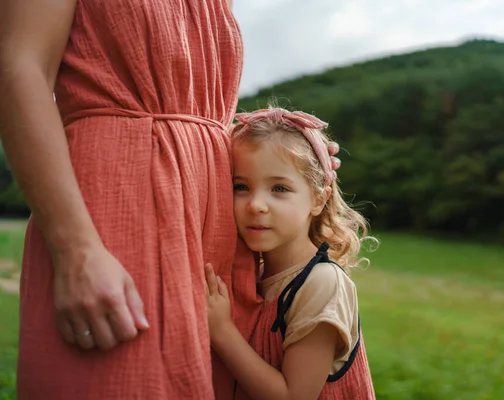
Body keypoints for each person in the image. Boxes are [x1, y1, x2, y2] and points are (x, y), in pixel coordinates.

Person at [0, 1, 340, 399]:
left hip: (211, 231)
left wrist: (287, 150)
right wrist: (76, 249)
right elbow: (20, 68)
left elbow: (190, 106)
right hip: (119, 215)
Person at [204, 107, 377, 400]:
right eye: (241, 186)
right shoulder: (254, 276)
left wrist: (222, 332)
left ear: (318, 199)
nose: (256, 204)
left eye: (280, 188)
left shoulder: (320, 283)